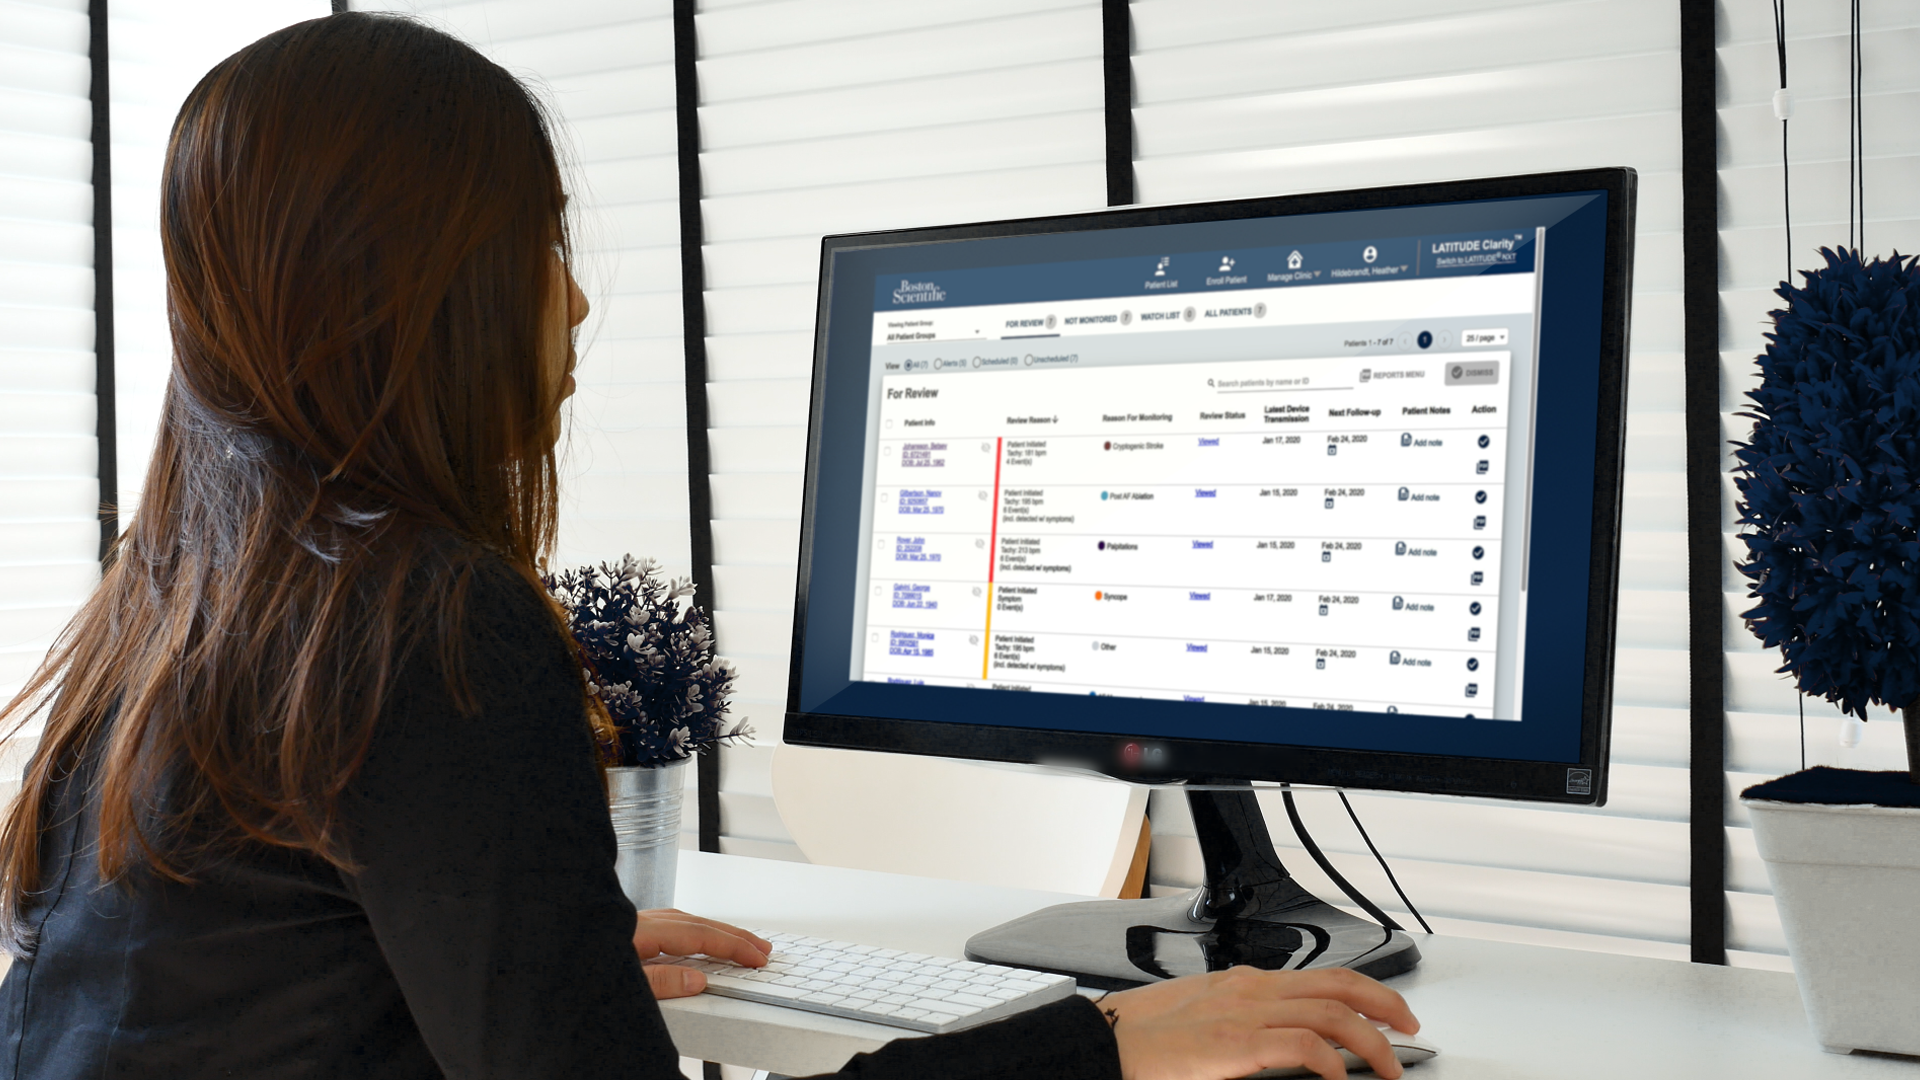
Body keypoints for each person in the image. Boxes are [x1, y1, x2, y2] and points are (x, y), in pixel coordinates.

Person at [0, 13, 1418, 1080]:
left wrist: (525, 961)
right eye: (538, 246)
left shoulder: (183, 606)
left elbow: (227, 986)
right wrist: (1096, 1051)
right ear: (421, 292)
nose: (573, 301)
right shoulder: (425, 630)